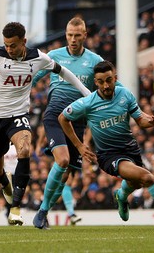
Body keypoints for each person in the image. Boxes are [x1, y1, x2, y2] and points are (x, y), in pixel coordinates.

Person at [33, 60, 154, 229]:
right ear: (95, 83)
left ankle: (121, 196)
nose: (105, 85)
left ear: (115, 78)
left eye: (108, 80)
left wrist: (150, 122)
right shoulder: (88, 103)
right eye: (100, 82)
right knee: (147, 177)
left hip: (131, 149)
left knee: (135, 183)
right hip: (109, 155)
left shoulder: (125, 94)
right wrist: (79, 145)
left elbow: (140, 120)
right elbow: (63, 118)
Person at [0, 22, 90, 225]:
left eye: (13, 45)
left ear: (24, 42)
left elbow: (63, 72)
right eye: (6, 45)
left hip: (18, 115)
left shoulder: (38, 58)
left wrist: (87, 94)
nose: (9, 49)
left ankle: (15, 208)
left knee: (25, 150)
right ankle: (5, 184)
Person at [32, 17, 104, 225]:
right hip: (55, 114)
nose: (73, 39)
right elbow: (34, 78)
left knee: (65, 176)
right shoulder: (54, 56)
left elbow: (107, 86)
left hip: (78, 121)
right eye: (69, 35)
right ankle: (42, 213)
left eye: (77, 35)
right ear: (66, 35)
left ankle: (44, 210)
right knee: (62, 161)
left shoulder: (94, 61)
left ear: (85, 35)